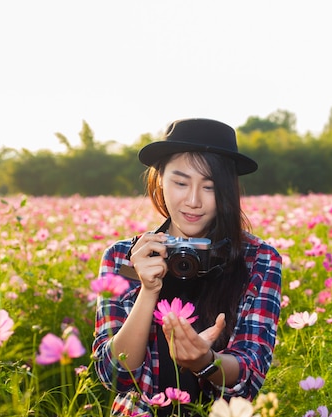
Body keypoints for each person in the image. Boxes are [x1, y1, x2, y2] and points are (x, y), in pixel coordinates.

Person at [92, 118, 282, 416]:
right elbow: (114, 375)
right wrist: (148, 290)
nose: (193, 201)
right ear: (160, 180)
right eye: (180, 183)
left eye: (210, 187)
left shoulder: (258, 259)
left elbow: (249, 376)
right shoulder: (122, 257)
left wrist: (205, 361)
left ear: (229, 192)